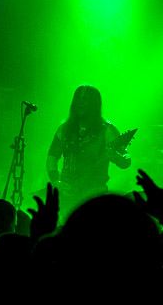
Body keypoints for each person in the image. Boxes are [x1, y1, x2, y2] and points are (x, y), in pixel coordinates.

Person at [46, 85, 133, 215]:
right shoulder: (64, 129)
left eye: (85, 99)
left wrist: (116, 156)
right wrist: (55, 180)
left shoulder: (107, 130)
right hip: (67, 194)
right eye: (78, 99)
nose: (80, 103)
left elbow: (126, 160)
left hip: (94, 196)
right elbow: (52, 157)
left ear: (94, 104)